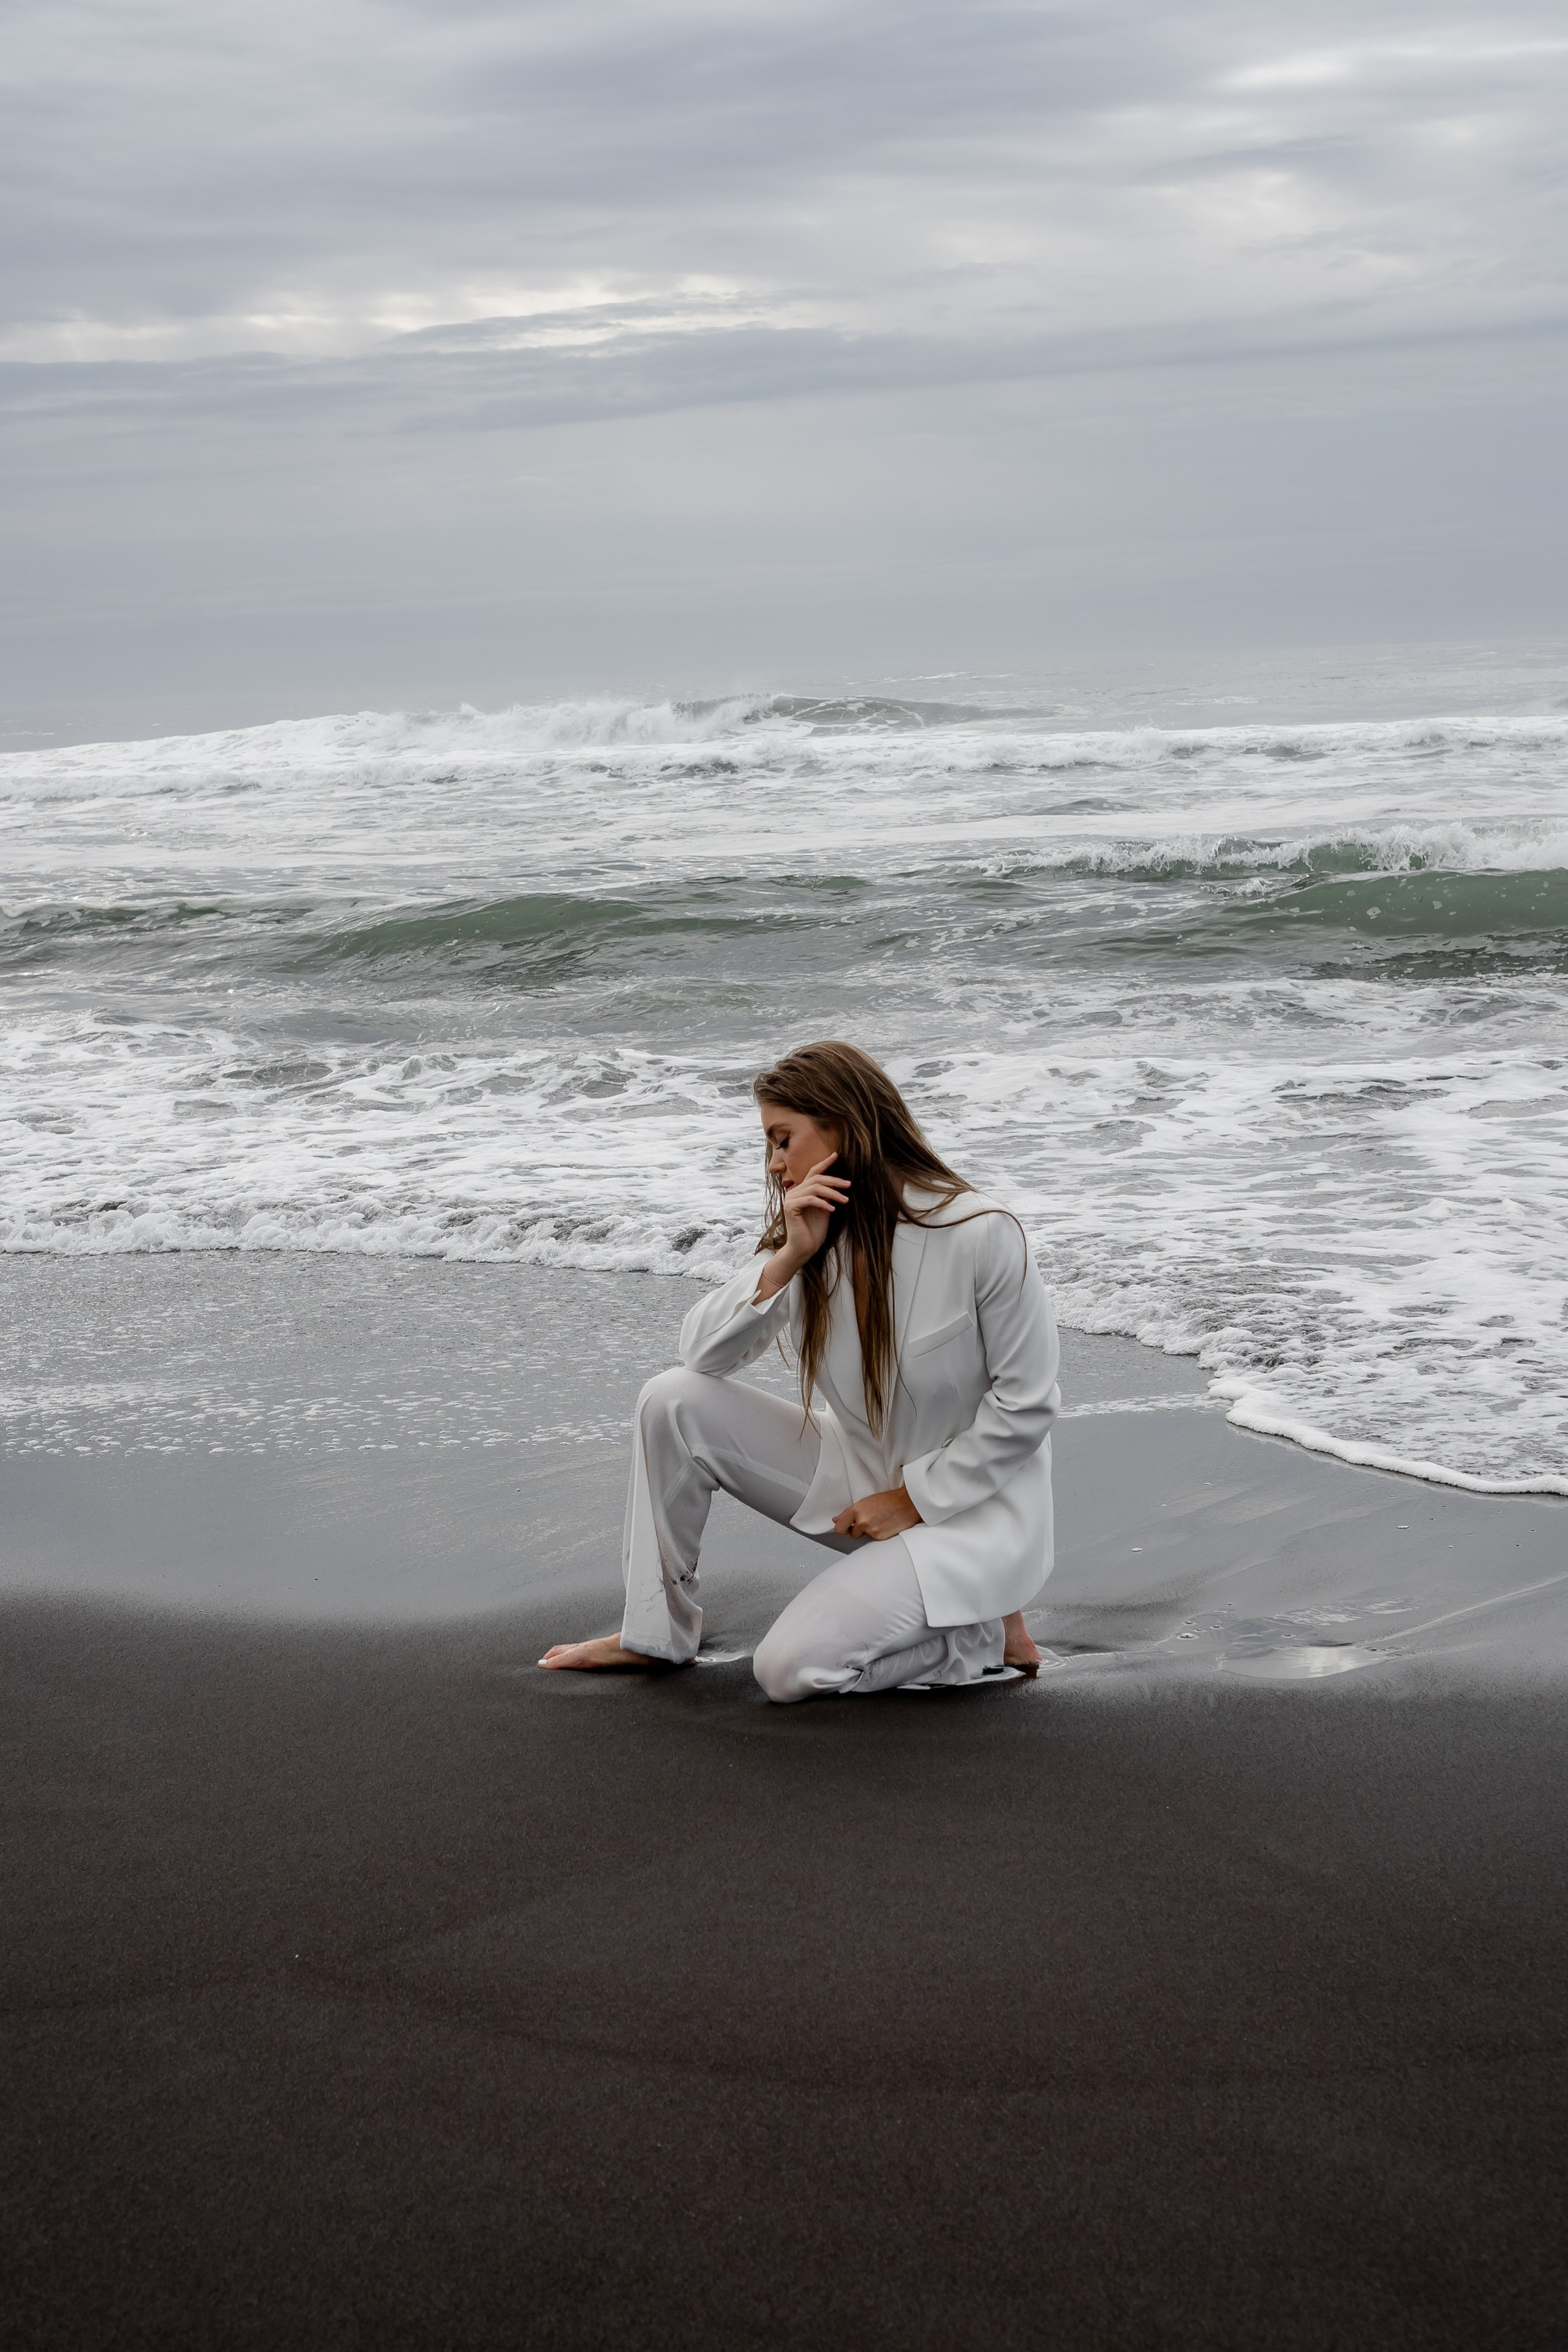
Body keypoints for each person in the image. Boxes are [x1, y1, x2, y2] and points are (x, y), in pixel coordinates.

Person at [540, 1040, 1060, 1701]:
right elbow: (702, 1355)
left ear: (840, 1123)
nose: (775, 1165)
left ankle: (979, 1637)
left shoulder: (981, 1233)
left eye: (783, 1140)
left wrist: (909, 1502)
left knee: (788, 1671)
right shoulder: (813, 1235)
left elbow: (1028, 1407)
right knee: (670, 1400)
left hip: (973, 1520)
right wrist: (789, 1255)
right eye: (769, 1146)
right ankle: (656, 1636)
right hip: (860, 1477)